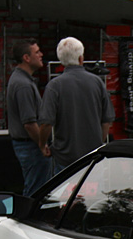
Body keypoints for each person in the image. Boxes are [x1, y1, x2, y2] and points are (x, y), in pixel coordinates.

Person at [38, 37, 114, 174]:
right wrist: (98, 142)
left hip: (64, 158)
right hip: (92, 158)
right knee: (93, 194)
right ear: (81, 58)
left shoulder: (54, 86)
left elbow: (46, 123)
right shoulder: (97, 83)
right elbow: (106, 121)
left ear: (61, 61)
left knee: (63, 194)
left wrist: (42, 145)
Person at [5, 39, 53, 196]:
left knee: (38, 188)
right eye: (37, 52)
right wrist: (42, 144)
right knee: (36, 191)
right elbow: (29, 123)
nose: (41, 55)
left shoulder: (22, 80)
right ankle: (29, 218)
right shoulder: (23, 84)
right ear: (26, 57)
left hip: (29, 145)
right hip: (31, 146)